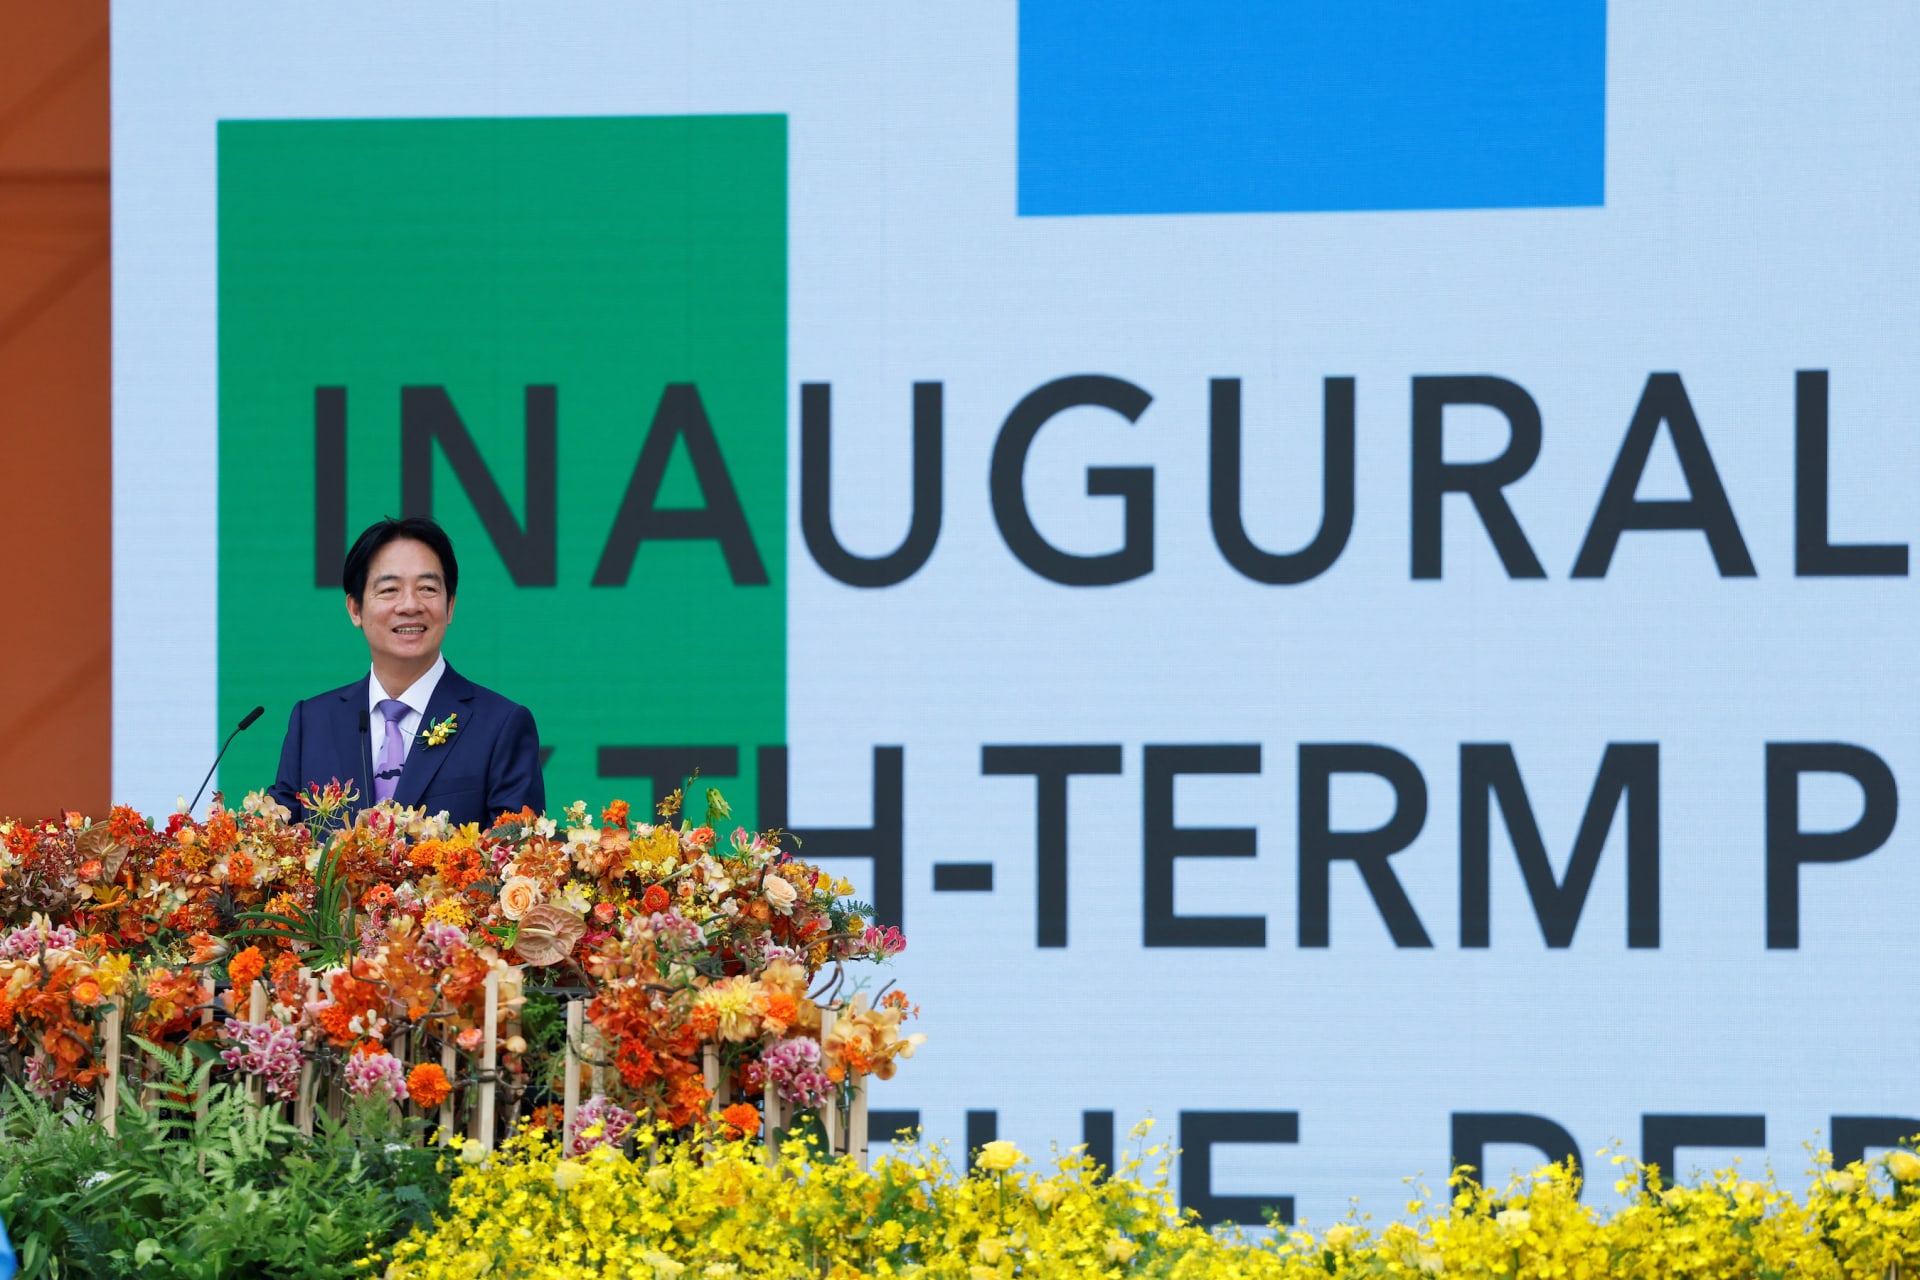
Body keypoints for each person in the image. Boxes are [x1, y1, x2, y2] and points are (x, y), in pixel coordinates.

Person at [269, 516, 545, 827]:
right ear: (355, 609)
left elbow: (516, 850)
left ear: (450, 606)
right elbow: (278, 839)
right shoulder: (312, 722)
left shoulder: (501, 725)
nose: (410, 605)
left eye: (427, 588)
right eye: (389, 590)